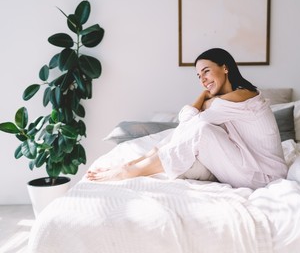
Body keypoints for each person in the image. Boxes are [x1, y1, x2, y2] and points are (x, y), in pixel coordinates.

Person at [87, 48, 287, 189]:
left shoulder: (240, 97)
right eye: (199, 76)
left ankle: (131, 169)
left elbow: (189, 121)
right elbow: (187, 122)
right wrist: (205, 97)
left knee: (200, 131)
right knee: (186, 133)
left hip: (263, 177)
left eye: (206, 71)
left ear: (225, 68)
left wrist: (204, 98)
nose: (203, 80)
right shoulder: (231, 97)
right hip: (252, 168)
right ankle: (132, 165)